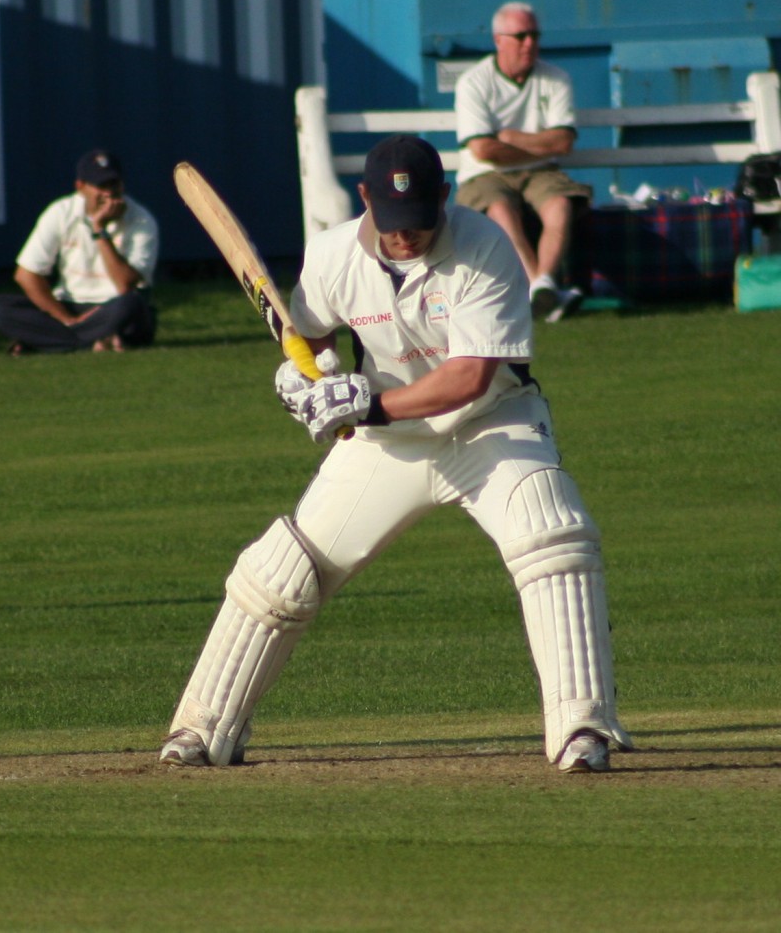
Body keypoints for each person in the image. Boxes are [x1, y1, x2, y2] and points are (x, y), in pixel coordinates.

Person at [160, 135, 631, 774]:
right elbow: (312, 339)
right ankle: (202, 728)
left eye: (419, 221)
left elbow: (468, 377)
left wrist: (366, 405)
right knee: (282, 572)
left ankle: (582, 728)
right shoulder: (332, 255)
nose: (406, 237)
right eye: (392, 222)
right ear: (365, 199)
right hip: (385, 445)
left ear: (444, 197)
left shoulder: (485, 246)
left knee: (553, 536)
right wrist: (303, 380)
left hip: (491, 424)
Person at [455, 1, 590, 321]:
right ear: (498, 40)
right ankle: (539, 287)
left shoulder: (556, 78)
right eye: (520, 36)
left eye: (534, 35)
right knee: (500, 209)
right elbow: (483, 150)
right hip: (485, 174)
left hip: (540, 172)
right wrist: (542, 143)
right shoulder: (473, 82)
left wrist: (511, 138)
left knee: (560, 203)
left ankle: (541, 286)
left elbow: (564, 142)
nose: (529, 43)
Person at [0, 149, 158, 354]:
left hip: (114, 307)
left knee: (132, 305)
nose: (109, 193)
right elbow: (26, 275)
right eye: (101, 186)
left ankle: (46, 342)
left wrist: (99, 230)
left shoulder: (141, 220)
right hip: (69, 304)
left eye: (114, 184)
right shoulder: (61, 212)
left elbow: (125, 285)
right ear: (80, 187)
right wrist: (66, 319)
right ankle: (91, 340)